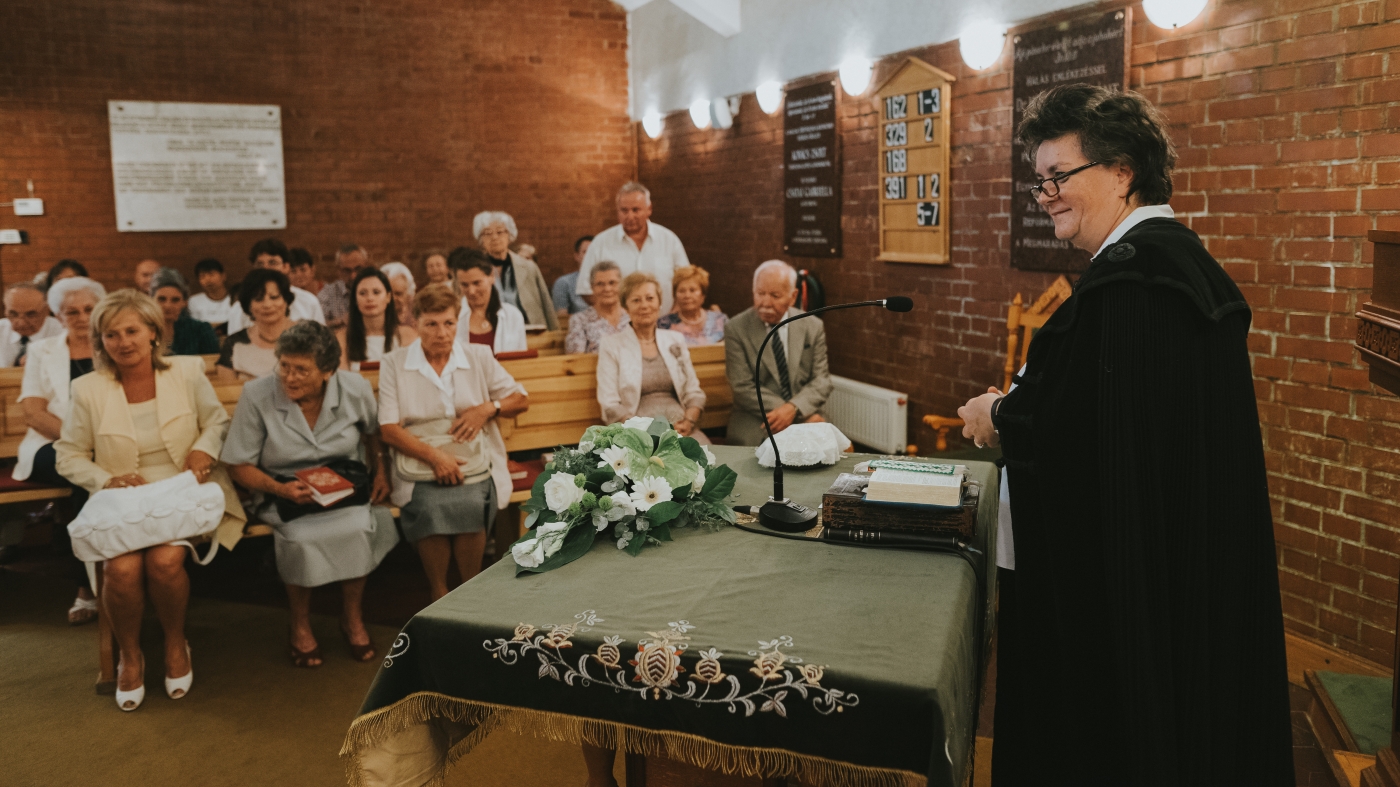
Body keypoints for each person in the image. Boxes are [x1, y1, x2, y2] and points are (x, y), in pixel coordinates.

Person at [956, 84, 1293, 785]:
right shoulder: (1174, 265)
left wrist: (999, 415)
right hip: (1183, 573)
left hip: (1122, 601)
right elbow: (1106, 416)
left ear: (1121, 171)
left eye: (1059, 175)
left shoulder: (1132, 285)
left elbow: (1080, 440)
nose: (1044, 195)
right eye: (1039, 180)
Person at [55, 289, 246, 711]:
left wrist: (203, 451)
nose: (123, 342)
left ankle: (176, 643)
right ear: (100, 341)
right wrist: (106, 479)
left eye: (131, 331)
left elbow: (216, 422)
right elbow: (67, 455)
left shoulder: (186, 371)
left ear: (153, 333)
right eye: (111, 335)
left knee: (164, 562)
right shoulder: (87, 388)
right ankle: (130, 654)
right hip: (124, 498)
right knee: (121, 569)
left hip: (182, 491)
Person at [222, 322, 398, 668]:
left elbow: (374, 432)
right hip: (280, 489)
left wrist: (381, 470)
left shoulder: (354, 388)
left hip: (343, 487)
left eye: (302, 370)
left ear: (328, 371)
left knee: (357, 527)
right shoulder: (257, 394)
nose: (290, 377)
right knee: (301, 539)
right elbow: (238, 465)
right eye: (284, 366)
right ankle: (300, 623)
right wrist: (279, 488)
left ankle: (352, 617)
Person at [378, 284, 529, 600]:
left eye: (448, 323)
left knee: (471, 501)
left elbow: (520, 399)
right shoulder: (394, 362)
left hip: (474, 458)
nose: (442, 333)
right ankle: (439, 590)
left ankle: (468, 590)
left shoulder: (477, 355)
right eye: (431, 324)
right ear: (416, 323)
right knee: (430, 505)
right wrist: (436, 458)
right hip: (418, 458)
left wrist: (486, 408)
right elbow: (388, 429)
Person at [15, 277, 105, 625]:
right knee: (85, 475)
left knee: (93, 473)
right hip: (49, 445)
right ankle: (88, 586)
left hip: (104, 444)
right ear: (57, 315)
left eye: (88, 309)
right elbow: (34, 413)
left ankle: (117, 576)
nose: (81, 317)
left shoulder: (112, 345)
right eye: (71, 311)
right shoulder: (42, 351)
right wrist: (80, 443)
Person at [723, 260, 831, 446]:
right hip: (757, 418)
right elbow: (742, 387)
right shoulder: (736, 328)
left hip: (804, 412)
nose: (765, 303)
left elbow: (821, 381)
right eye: (760, 294)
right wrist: (790, 414)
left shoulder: (812, 326)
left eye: (775, 295)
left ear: (793, 296)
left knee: (828, 449)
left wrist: (794, 408)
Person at [597, 273, 706, 440]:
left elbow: (693, 391)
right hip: (636, 433)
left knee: (705, 454)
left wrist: (689, 422)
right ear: (625, 307)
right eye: (636, 300)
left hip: (680, 428)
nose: (644, 305)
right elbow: (609, 404)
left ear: (659, 303)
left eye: (650, 298)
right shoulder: (611, 345)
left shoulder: (675, 340)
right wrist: (645, 431)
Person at [576, 182, 690, 314]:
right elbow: (585, 289)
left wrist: (674, 314)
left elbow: (686, 281)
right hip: (617, 324)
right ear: (617, 211)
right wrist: (614, 315)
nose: (630, 216)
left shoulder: (669, 240)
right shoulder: (600, 243)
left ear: (649, 209)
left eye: (636, 210)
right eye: (624, 210)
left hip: (664, 321)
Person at [472, 212, 559, 330]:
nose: (494, 237)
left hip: (529, 329)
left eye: (500, 232)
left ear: (510, 235)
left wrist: (554, 332)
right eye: (487, 233)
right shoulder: (475, 269)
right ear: (480, 239)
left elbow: (546, 303)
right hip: (491, 330)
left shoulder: (528, 267)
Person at [226, 239, 326, 332]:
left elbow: (322, 341)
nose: (266, 269)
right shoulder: (239, 309)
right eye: (260, 264)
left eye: (272, 263)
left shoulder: (308, 302)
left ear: (286, 267)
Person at [215, 269, 298, 381]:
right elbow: (226, 388)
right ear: (248, 306)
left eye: (274, 297)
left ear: (286, 300)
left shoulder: (310, 336)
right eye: (258, 299)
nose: (267, 305)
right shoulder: (234, 343)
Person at [337, 267, 417, 369]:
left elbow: (412, 374)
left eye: (376, 292)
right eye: (362, 293)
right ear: (355, 300)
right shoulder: (343, 337)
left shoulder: (407, 335)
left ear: (388, 297)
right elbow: (342, 376)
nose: (370, 298)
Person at [450, 249, 528, 354]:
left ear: (491, 277)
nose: (471, 291)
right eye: (464, 285)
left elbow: (520, 359)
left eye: (477, 283)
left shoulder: (513, 316)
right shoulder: (453, 316)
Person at [150, 268, 220, 356]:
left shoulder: (201, 330)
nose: (168, 306)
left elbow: (212, 361)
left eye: (175, 300)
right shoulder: (143, 330)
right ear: (151, 300)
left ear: (185, 302)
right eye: (161, 299)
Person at [564, 261, 627, 354]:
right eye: (600, 284)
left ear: (621, 285)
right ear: (592, 287)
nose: (607, 289)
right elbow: (575, 358)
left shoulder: (633, 317)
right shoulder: (580, 320)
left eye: (612, 283)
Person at [657, 265, 727, 345]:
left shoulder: (720, 320)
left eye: (692, 290)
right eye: (682, 291)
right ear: (675, 296)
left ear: (703, 295)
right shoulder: (664, 325)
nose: (687, 296)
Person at [1, 282, 64, 366]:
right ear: (5, 310)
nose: (21, 323)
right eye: (13, 314)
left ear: (46, 311)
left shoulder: (63, 333)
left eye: (30, 314)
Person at [318, 243, 368, 330]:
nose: (353, 276)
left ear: (366, 266)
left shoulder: (376, 290)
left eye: (358, 269)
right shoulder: (327, 294)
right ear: (338, 270)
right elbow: (316, 325)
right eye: (347, 270)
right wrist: (339, 321)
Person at [551, 235, 594, 320]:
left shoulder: (610, 283)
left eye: (594, 252)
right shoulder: (564, 283)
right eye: (586, 252)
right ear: (577, 256)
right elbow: (561, 318)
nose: (591, 256)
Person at [186, 258, 235, 329]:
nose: (207, 279)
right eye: (202, 276)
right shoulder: (194, 301)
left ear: (223, 276)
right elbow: (194, 327)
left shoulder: (236, 298)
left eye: (211, 274)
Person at [380, 261, 418, 329]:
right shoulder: (374, 314)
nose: (392, 298)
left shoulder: (418, 314)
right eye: (387, 293)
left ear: (409, 294)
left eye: (398, 294)